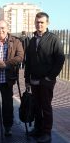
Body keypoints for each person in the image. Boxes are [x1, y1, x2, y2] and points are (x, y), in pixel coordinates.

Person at [25, 12, 65, 143]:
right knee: (36, 106)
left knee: (46, 107)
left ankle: (47, 132)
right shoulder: (31, 40)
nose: (39, 24)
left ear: (47, 23)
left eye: (42, 22)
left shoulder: (53, 39)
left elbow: (60, 59)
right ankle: (38, 129)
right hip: (34, 79)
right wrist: (27, 79)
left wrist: (50, 77)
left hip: (46, 80)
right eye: (37, 22)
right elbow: (28, 61)